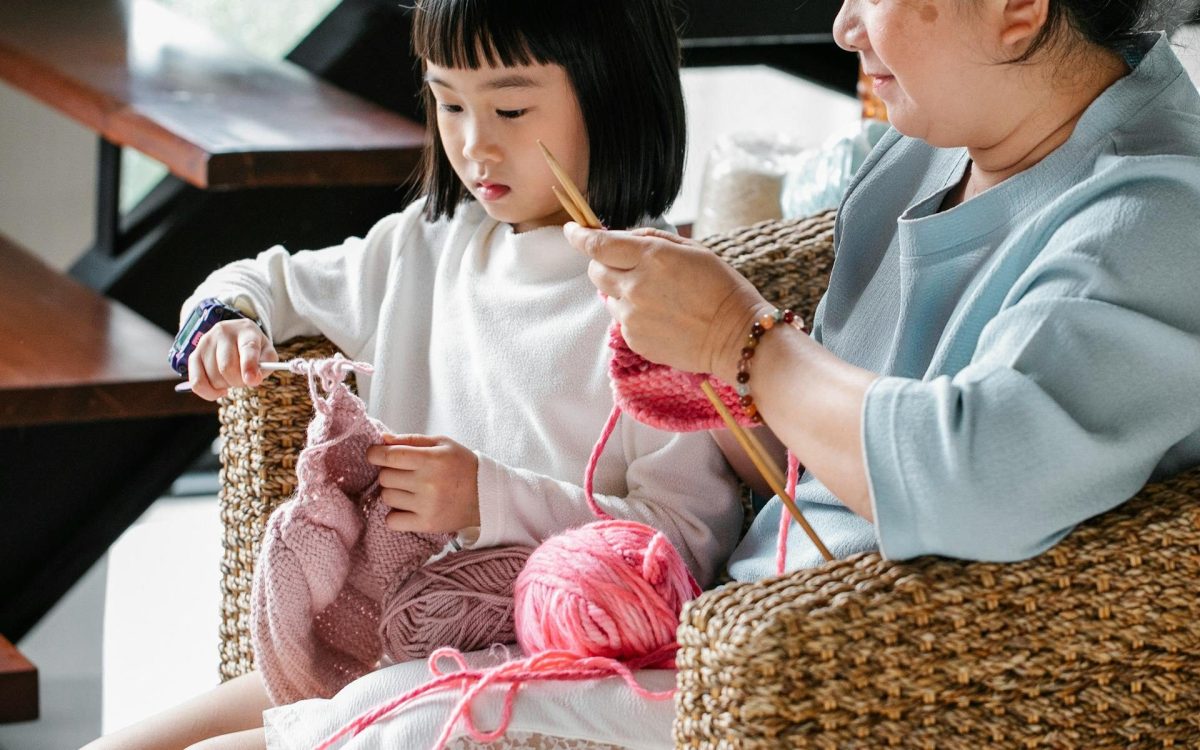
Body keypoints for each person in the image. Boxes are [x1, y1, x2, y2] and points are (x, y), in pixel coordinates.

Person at [83, 1, 743, 748]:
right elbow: (256, 279)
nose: (473, 143)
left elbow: (688, 545)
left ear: (613, 94)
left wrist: (486, 497)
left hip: (521, 665)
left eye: (512, 107)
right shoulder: (422, 253)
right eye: (448, 101)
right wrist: (226, 324)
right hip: (374, 642)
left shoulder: (662, 301)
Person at [568, 0, 1200, 582]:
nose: (844, 28)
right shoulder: (922, 152)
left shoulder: (1161, 217)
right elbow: (812, 467)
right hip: (732, 620)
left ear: (1017, 6)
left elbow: (975, 482)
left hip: (864, 671)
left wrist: (742, 337)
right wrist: (717, 366)